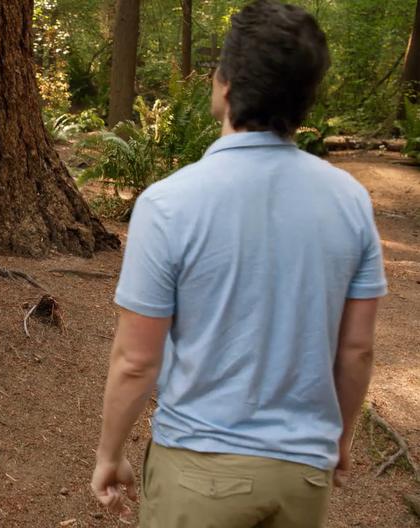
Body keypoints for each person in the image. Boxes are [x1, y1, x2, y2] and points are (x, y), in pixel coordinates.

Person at [89, 2, 386, 527]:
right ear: (307, 97)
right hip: (303, 476)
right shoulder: (350, 201)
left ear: (224, 84)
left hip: (199, 471)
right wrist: (338, 440)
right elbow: (357, 349)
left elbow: (136, 360)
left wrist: (109, 454)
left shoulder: (169, 204)